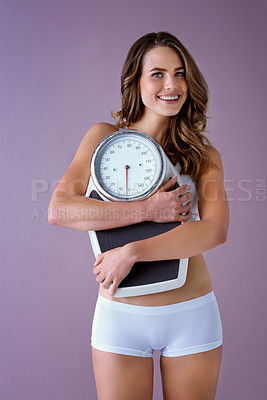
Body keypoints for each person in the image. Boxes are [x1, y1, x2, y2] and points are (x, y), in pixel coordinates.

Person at [48, 31, 229, 400]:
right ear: (136, 80)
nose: (172, 85)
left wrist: (132, 252)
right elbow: (61, 208)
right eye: (158, 74)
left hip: (190, 313)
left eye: (180, 74)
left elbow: (213, 231)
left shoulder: (202, 155)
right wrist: (147, 210)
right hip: (121, 316)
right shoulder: (102, 138)